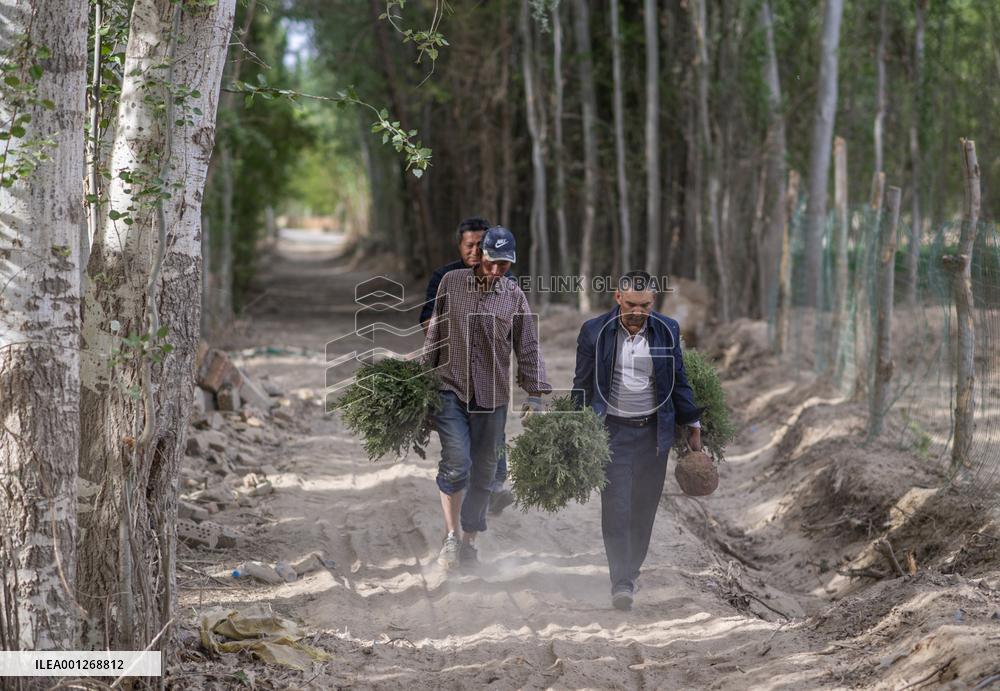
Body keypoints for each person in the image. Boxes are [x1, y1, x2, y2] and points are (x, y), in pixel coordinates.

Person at [571, 270, 703, 610]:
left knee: (643, 508)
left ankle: (631, 569)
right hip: (610, 433)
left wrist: (693, 421)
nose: (637, 312)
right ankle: (621, 581)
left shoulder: (667, 330)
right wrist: (573, 429)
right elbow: (581, 386)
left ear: (653, 303)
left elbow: (679, 381)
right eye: (630, 304)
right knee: (616, 506)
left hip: (653, 435)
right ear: (617, 298)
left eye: (644, 305)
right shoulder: (593, 332)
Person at [422, 226, 551, 569]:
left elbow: (528, 346)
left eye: (504, 265)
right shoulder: (451, 283)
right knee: (457, 462)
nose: (496, 272)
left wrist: (535, 395)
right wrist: (420, 384)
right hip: (450, 388)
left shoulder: (514, 296)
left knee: (484, 472)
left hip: (493, 396)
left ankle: (469, 543)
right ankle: (450, 538)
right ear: (480, 256)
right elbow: (434, 335)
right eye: (492, 262)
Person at [419, 217, 516, 515]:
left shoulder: (505, 279)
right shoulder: (445, 277)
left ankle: (495, 484)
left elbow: (518, 326)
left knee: (493, 427)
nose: (475, 251)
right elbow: (426, 320)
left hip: (491, 372)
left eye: (480, 245)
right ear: (460, 246)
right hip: (453, 369)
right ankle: (462, 485)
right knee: (459, 445)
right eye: (469, 245)